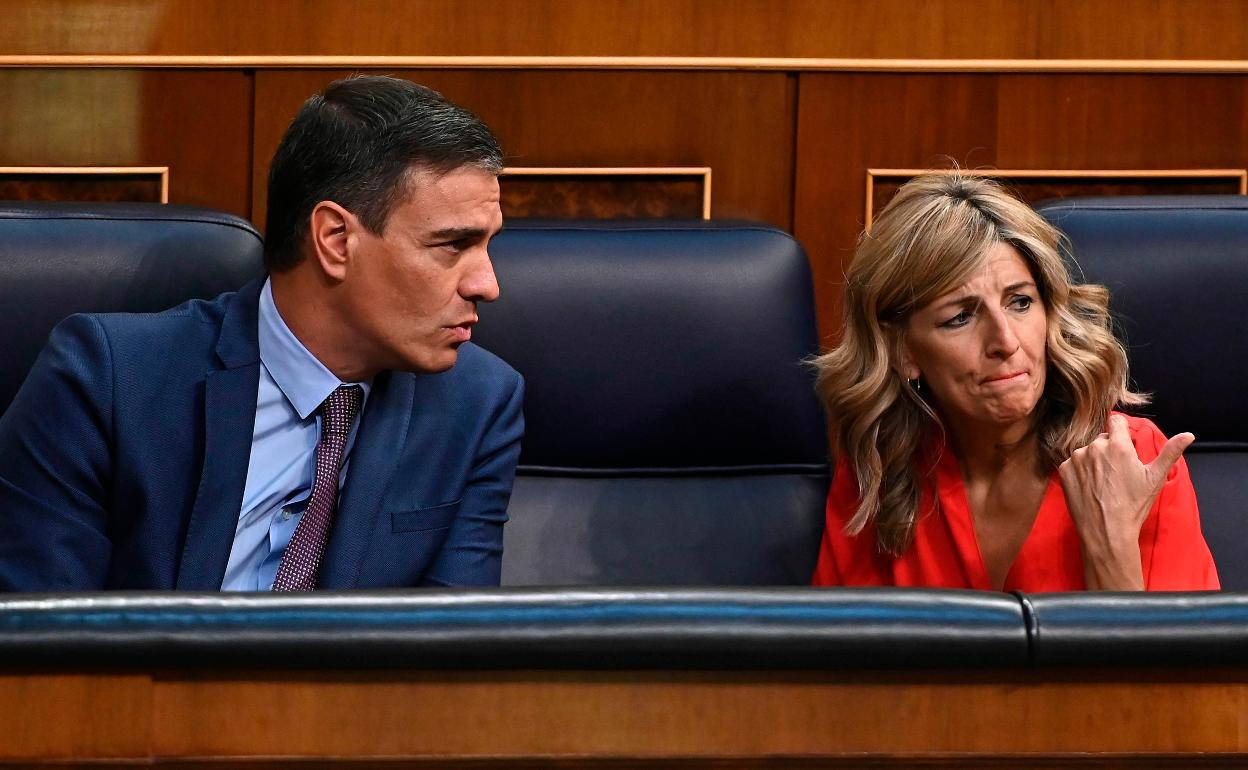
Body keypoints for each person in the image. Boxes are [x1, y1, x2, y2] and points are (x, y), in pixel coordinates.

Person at [0, 75, 523, 591]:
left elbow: (450, 651)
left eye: (488, 246)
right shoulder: (107, 379)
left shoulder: (477, 403)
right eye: (453, 245)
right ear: (336, 240)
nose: (488, 284)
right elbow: (43, 644)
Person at [811, 173, 1218, 591]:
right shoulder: (881, 471)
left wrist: (1108, 544)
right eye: (961, 317)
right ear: (902, 352)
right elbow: (837, 651)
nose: (1005, 341)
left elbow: (1173, 656)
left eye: (1020, 302)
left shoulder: (1132, 457)